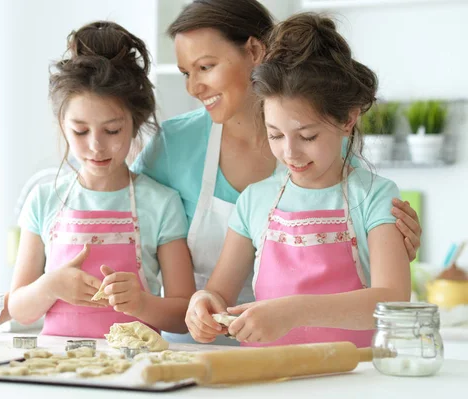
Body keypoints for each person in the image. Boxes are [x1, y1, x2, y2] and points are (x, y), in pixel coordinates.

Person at [131, 0, 421, 345]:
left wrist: (293, 311)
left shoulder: (365, 186)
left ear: (348, 120)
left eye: (308, 136)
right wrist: (201, 302)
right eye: (275, 135)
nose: (290, 152)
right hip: (245, 363)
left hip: (348, 371)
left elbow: (391, 298)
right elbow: (214, 292)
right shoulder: (249, 194)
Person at [8, 21, 195, 337]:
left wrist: (140, 304)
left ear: (135, 125)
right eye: (80, 131)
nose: (96, 146)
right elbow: (18, 309)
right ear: (62, 125)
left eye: (112, 131)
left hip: (135, 365)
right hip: (59, 370)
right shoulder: (44, 199)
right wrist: (50, 285)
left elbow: (183, 314)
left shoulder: (161, 203)